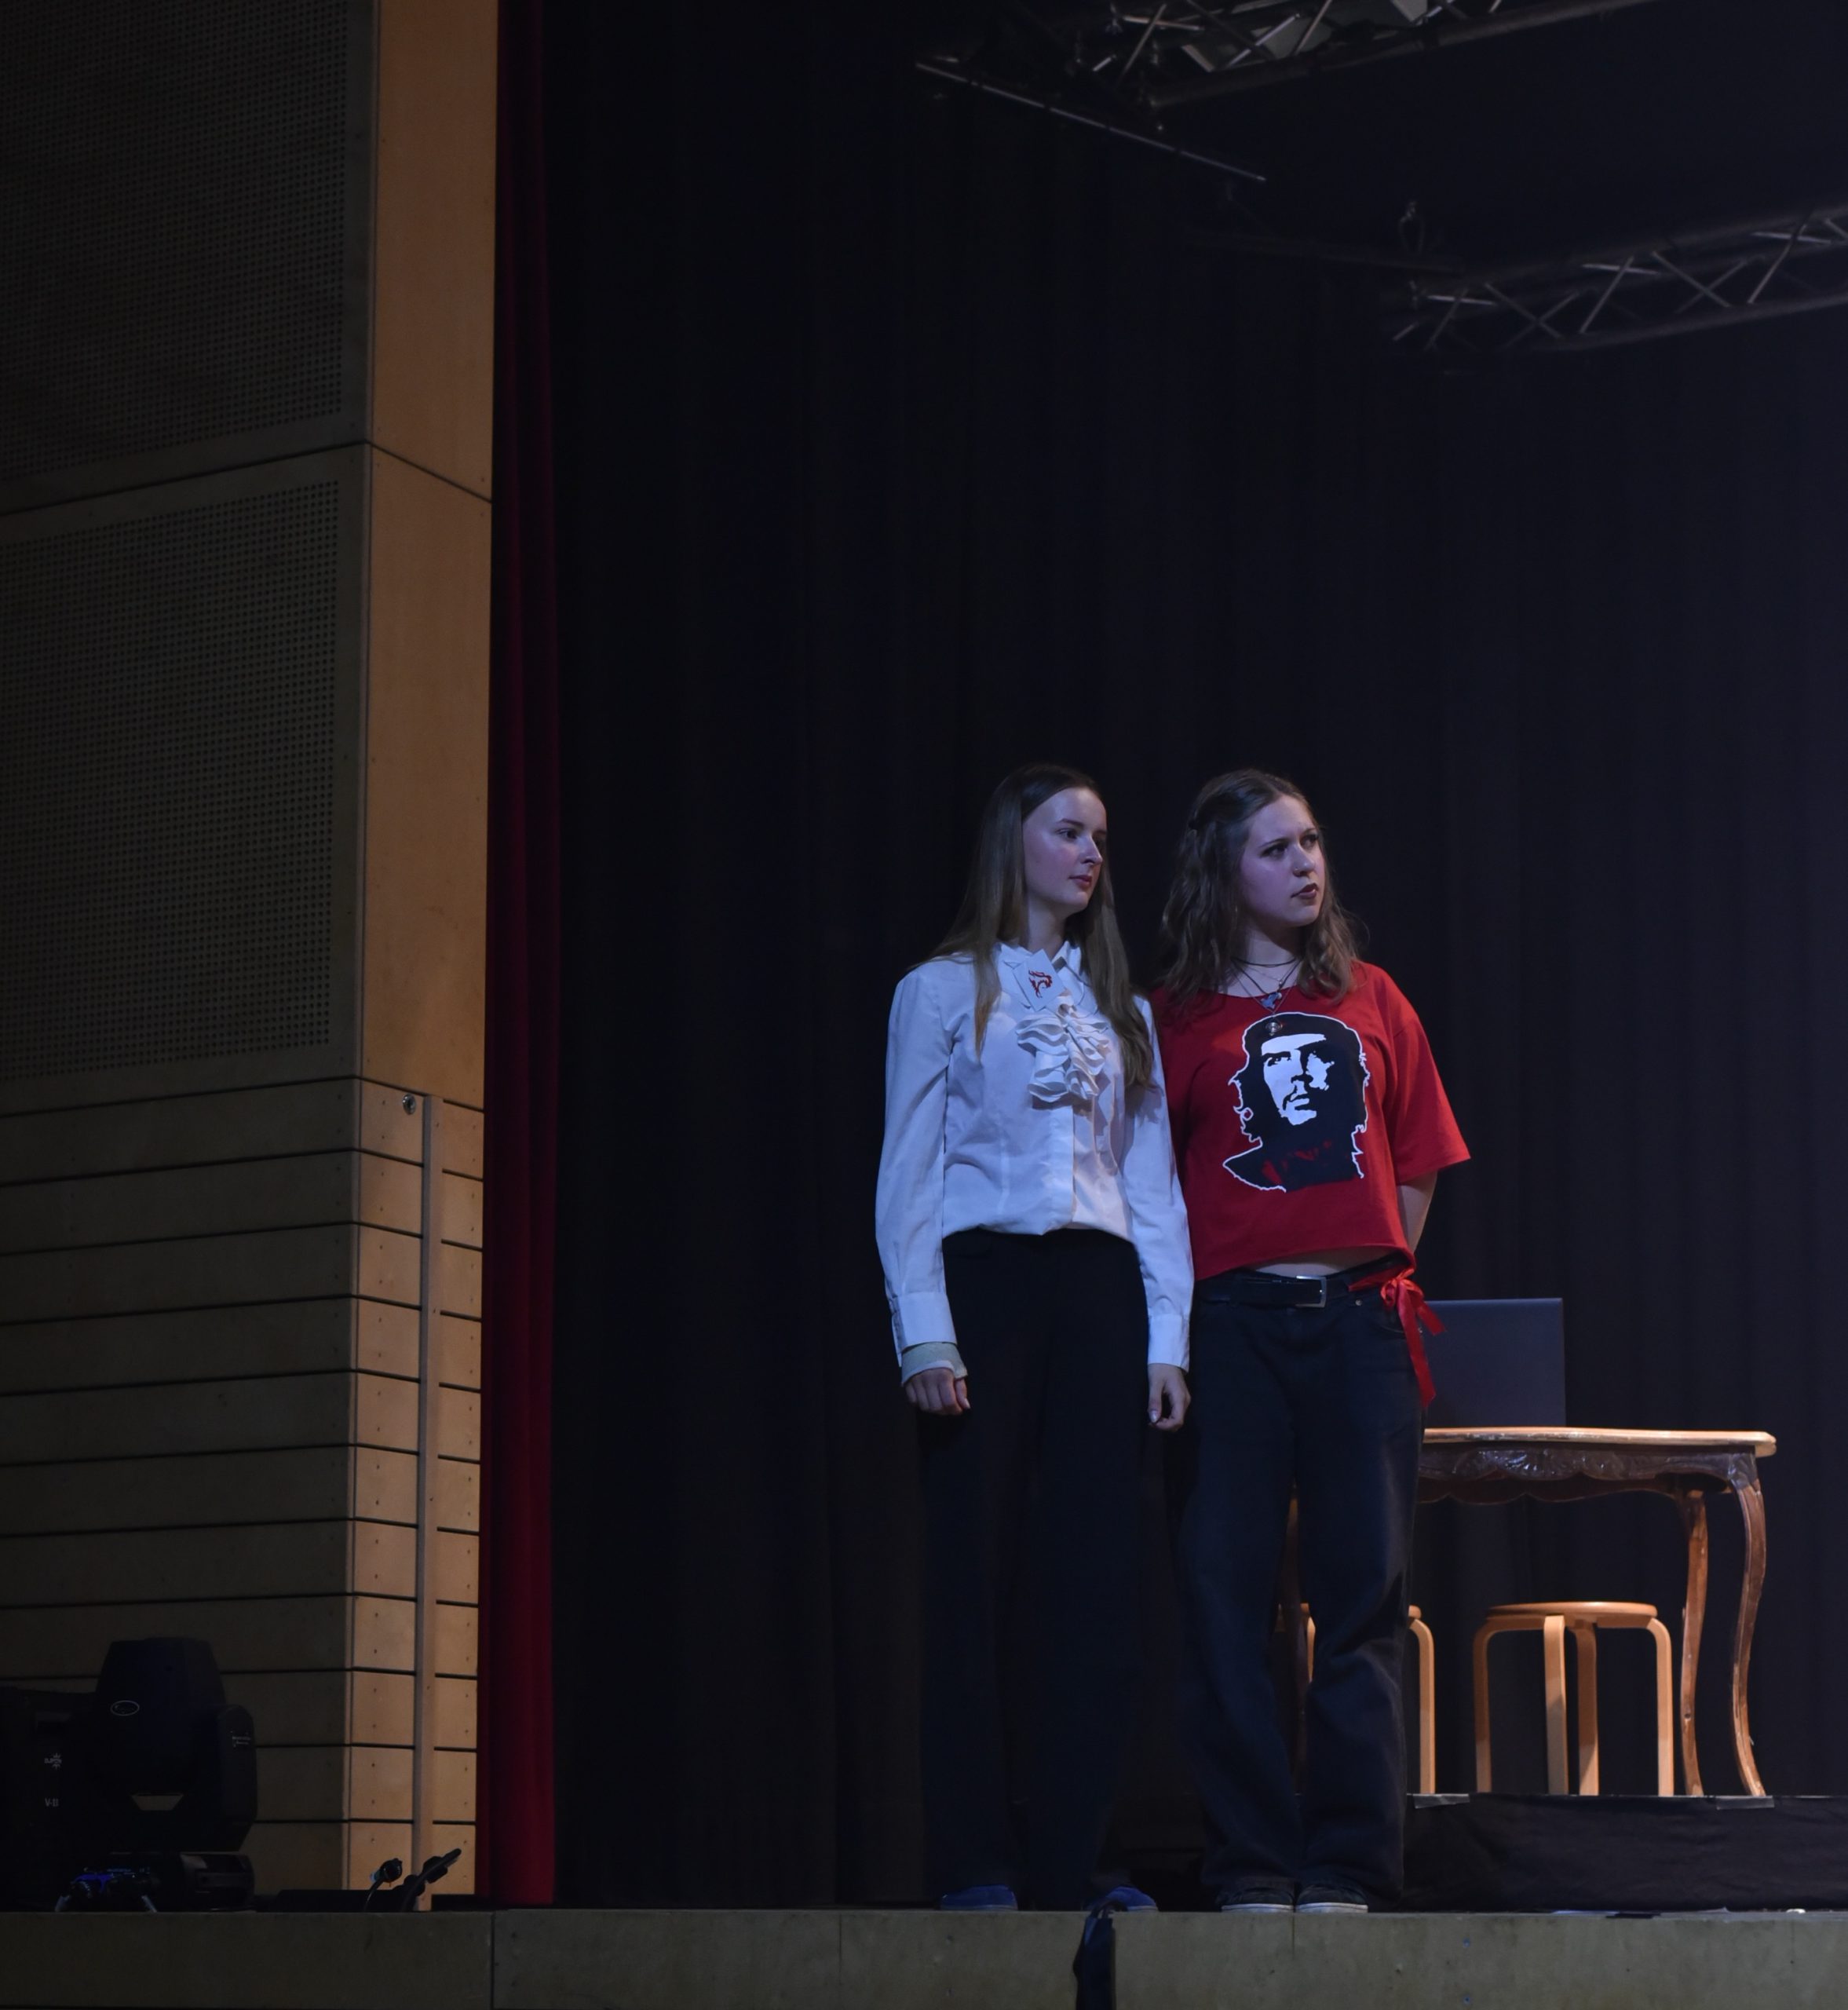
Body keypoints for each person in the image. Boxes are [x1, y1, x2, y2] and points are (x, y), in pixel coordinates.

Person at [875, 762, 1194, 1913]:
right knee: (975, 1577)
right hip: (987, 1284)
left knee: (1093, 1581)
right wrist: (925, 1333)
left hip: (1099, 1292)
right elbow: (908, 1173)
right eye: (1069, 831)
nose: (1090, 853)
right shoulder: (939, 990)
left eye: (1100, 837)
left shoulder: (1123, 1012)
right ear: (1014, 841)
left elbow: (1150, 1185)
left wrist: (1167, 1337)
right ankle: (975, 1859)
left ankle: (1078, 1856)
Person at [1153, 768, 1468, 1915]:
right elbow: (1147, 1187)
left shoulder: (1370, 997)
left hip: (1358, 1326)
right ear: (1223, 871)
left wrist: (1370, 1267)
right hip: (1231, 1330)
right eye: (1277, 850)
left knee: (1361, 1603)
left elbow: (1418, 1159)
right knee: (1225, 1603)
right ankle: (1249, 1861)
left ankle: (1347, 1865)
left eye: (1312, 844)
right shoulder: (1174, 1017)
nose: (1305, 865)